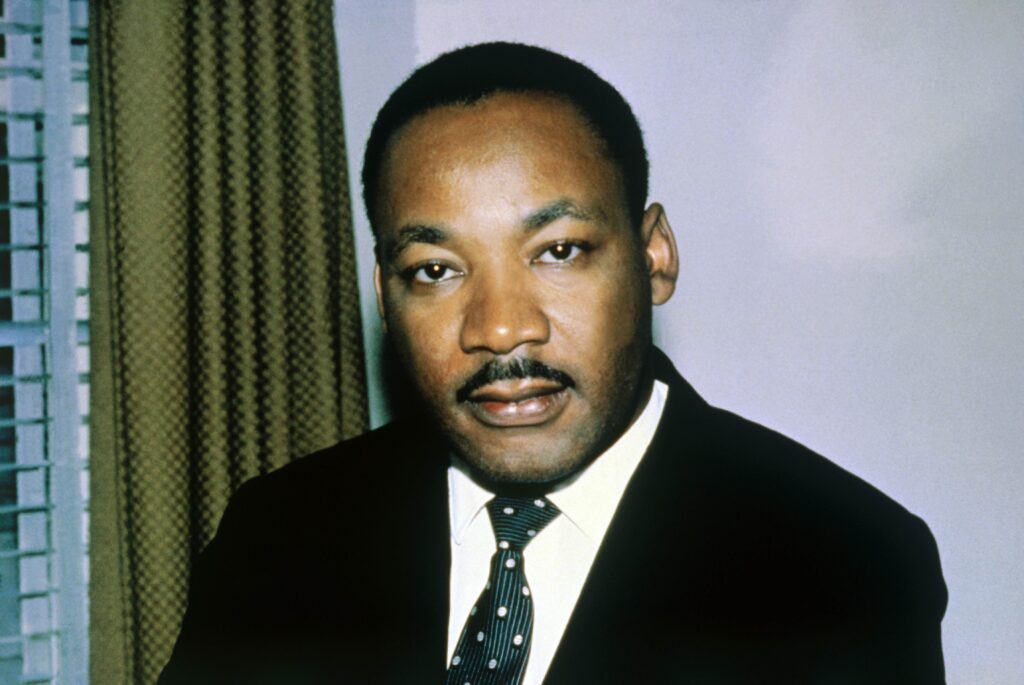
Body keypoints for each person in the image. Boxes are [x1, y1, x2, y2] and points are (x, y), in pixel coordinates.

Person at [158, 42, 947, 684]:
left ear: (654, 257)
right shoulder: (279, 533)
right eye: (436, 268)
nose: (501, 328)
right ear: (384, 294)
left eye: (559, 251)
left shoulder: (844, 568)